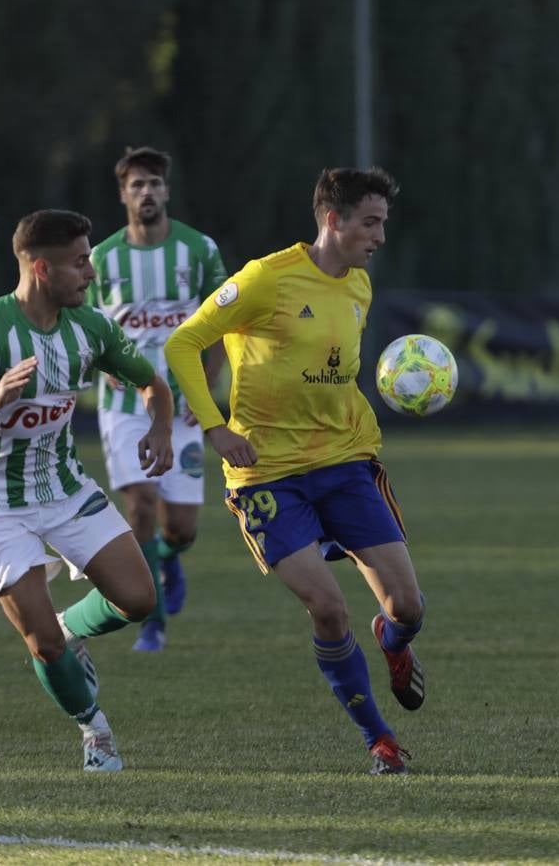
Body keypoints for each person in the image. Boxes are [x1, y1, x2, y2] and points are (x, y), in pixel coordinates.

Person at [164, 167, 426, 776]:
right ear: (332, 220)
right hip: (267, 477)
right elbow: (182, 342)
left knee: (407, 607)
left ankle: (393, 643)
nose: (380, 236)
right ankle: (379, 739)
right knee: (327, 609)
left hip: (345, 464)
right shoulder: (265, 279)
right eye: (370, 222)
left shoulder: (358, 286)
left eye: (383, 222)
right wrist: (215, 427)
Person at [0, 208, 175, 772]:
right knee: (44, 647)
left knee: (138, 599)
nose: (91, 273)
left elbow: (152, 383)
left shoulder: (92, 327)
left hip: (62, 489)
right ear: (40, 268)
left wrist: (158, 428)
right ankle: (94, 729)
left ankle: (69, 627)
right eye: (80, 262)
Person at [87, 146, 228, 653]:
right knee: (140, 506)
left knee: (182, 528)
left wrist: (205, 390)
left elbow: (221, 328)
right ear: (123, 194)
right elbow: (87, 331)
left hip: (185, 404)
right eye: (136, 185)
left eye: (154, 183)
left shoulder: (199, 250)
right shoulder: (101, 259)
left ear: (166, 190)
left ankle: (168, 558)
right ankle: (154, 620)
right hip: (125, 407)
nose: (146, 192)